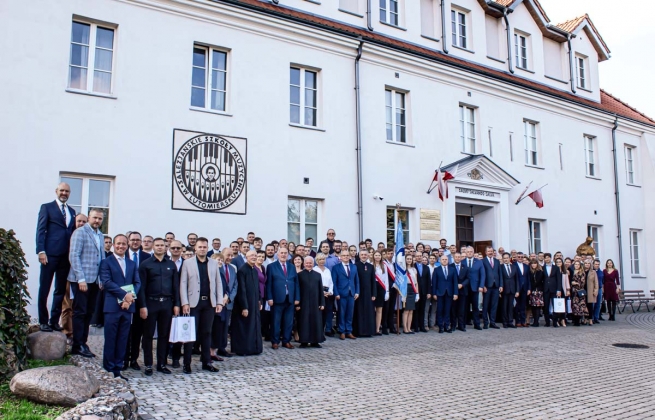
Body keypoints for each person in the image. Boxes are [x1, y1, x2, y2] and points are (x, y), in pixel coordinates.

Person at [36, 182, 77, 332]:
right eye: (62, 190)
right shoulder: (47, 207)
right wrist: (41, 251)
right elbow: (41, 230)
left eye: (67, 191)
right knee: (45, 288)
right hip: (49, 255)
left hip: (65, 257)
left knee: (60, 290)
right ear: (56, 191)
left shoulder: (72, 211)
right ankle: (43, 321)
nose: (64, 193)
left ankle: (54, 321)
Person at [180, 237, 223, 374]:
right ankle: (187, 363)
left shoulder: (213, 263)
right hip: (193, 303)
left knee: (206, 333)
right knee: (190, 334)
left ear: (207, 247)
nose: (202, 249)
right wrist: (185, 302)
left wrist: (219, 302)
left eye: (205, 247)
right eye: (200, 247)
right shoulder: (187, 263)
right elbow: (183, 283)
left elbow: (218, 283)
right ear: (195, 248)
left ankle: (206, 362)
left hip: (209, 302)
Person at [100, 234, 140, 380]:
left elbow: (137, 283)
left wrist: (129, 299)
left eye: (124, 244)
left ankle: (118, 368)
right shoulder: (106, 262)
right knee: (111, 338)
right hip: (112, 307)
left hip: (127, 307)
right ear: (113, 245)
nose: (121, 246)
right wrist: (124, 295)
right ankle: (109, 369)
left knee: (123, 339)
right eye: (118, 244)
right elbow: (107, 282)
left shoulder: (131, 263)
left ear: (127, 245)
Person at [138, 238, 179, 375]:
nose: (160, 247)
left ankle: (161, 363)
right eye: (157, 245)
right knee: (148, 335)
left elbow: (175, 287)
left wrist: (176, 304)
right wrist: (142, 306)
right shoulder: (145, 264)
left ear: (165, 247)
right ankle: (148, 364)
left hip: (167, 303)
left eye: (162, 245)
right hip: (151, 302)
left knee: (164, 335)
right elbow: (141, 288)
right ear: (153, 247)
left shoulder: (171, 265)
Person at [68, 208, 105, 358]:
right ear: (89, 217)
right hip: (82, 280)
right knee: (80, 312)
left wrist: (102, 279)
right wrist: (80, 278)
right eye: (95, 218)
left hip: (95, 280)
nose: (97, 221)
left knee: (89, 312)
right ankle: (77, 344)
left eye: (100, 219)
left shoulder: (100, 235)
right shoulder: (80, 232)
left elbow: (102, 257)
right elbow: (74, 255)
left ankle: (84, 341)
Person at [124, 232, 152, 371]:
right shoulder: (123, 254)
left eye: (137, 240)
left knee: (137, 332)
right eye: (133, 240)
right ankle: (123, 359)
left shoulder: (147, 257)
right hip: (123, 298)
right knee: (124, 331)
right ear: (128, 241)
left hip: (141, 299)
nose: (135, 242)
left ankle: (134, 359)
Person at [266, 247, 299, 349]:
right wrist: (269, 297)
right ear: (278, 254)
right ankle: (275, 341)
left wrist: (297, 297)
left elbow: (296, 283)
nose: (284, 255)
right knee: (276, 321)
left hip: (290, 298)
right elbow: (269, 283)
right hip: (277, 299)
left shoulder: (291, 266)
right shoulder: (271, 266)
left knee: (288, 322)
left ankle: (286, 341)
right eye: (282, 253)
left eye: (285, 253)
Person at [231, 250, 263, 355]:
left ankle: (255, 348)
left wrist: (260, 301)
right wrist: (244, 307)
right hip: (245, 305)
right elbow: (242, 290)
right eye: (251, 256)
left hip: (254, 303)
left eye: (255, 255)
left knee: (254, 326)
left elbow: (257, 287)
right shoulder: (242, 270)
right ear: (247, 257)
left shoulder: (254, 270)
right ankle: (243, 349)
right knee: (245, 327)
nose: (254, 257)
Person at [296, 257, 325, 348]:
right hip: (303, 303)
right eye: (307, 263)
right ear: (304, 264)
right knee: (303, 322)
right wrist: (298, 304)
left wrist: (322, 303)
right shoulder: (299, 275)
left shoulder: (317, 275)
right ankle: (303, 341)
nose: (308, 265)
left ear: (313, 264)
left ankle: (315, 341)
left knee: (315, 322)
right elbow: (297, 290)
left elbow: (321, 290)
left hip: (315, 302)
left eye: (310, 263)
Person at [332, 249, 359, 340]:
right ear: (340, 257)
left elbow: (357, 281)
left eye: (347, 255)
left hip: (351, 293)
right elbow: (334, 282)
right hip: (341, 293)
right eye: (344, 255)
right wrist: (336, 293)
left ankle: (349, 331)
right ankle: (342, 331)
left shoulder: (354, 267)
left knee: (350, 313)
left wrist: (357, 292)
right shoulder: (336, 267)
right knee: (341, 313)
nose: (346, 257)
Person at [432, 255, 458, 333]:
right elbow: (434, 282)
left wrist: (455, 293)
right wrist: (434, 293)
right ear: (440, 260)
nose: (444, 260)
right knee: (440, 310)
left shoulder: (452, 269)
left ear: (448, 260)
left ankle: (446, 326)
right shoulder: (436, 270)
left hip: (449, 293)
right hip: (439, 293)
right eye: (443, 259)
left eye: (446, 259)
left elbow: (455, 282)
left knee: (447, 310)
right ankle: (441, 327)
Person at [353, 249, 376, 337]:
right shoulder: (355, 266)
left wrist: (374, 294)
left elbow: (373, 281)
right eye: (362, 254)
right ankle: (358, 331)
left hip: (368, 293)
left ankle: (368, 331)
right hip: (358, 293)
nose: (363, 256)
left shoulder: (370, 266)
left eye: (365, 255)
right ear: (359, 256)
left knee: (368, 312)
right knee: (358, 312)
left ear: (368, 256)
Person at [462, 246, 484, 330]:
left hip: (475, 287)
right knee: (464, 306)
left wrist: (481, 286)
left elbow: (482, 274)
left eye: (471, 251)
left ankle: (477, 324)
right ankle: (463, 323)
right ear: (465, 252)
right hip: (465, 288)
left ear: (473, 252)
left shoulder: (479, 262)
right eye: (468, 252)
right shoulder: (462, 261)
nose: (469, 253)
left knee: (475, 307)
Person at [313, 253, 334, 337]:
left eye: (323, 259)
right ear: (317, 260)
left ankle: (328, 329)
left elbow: (331, 282)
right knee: (320, 312)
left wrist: (330, 291)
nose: (322, 261)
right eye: (320, 259)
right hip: (319, 292)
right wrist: (322, 292)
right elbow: (314, 283)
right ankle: (319, 330)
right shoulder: (315, 270)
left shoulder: (328, 270)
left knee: (329, 312)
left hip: (328, 292)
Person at [482, 246, 502, 329]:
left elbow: (500, 274)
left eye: (491, 251)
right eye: (488, 251)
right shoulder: (482, 261)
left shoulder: (497, 261)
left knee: (494, 305)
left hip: (496, 286)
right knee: (486, 305)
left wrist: (501, 285)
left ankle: (492, 322)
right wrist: (483, 285)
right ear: (486, 252)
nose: (490, 252)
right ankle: (486, 323)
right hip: (487, 286)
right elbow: (482, 274)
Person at [253, 250, 270, 342]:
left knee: (264, 316)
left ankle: (263, 334)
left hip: (264, 294)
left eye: (262, 257)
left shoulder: (263, 267)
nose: (260, 258)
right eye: (259, 256)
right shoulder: (253, 268)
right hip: (256, 294)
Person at [542, 253, 562, 328]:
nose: (547, 259)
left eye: (548, 257)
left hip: (554, 289)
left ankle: (555, 322)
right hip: (545, 289)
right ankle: (547, 322)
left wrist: (559, 289)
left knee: (555, 306)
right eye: (545, 258)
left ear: (550, 258)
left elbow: (559, 279)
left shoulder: (556, 268)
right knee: (546, 306)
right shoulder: (542, 268)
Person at [372, 251, 389, 335]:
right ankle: (372, 328)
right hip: (373, 287)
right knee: (372, 309)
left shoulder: (384, 265)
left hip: (382, 288)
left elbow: (386, 279)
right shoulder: (370, 265)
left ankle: (377, 329)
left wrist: (387, 291)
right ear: (373, 256)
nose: (377, 257)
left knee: (379, 309)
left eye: (379, 255)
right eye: (376, 255)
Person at [500, 253, 519, 329]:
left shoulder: (514, 267)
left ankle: (510, 321)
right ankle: (505, 322)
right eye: (504, 258)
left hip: (512, 289)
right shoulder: (500, 267)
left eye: (507, 258)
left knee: (511, 306)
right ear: (502, 259)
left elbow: (516, 279)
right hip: (504, 290)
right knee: (504, 306)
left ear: (509, 258)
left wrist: (517, 290)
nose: (506, 259)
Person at [451, 252, 469, 332]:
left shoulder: (465, 267)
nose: (458, 258)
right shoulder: (450, 266)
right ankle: (453, 325)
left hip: (463, 291)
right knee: (453, 309)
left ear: (461, 258)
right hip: (453, 291)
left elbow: (468, 278)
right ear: (454, 258)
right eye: (456, 257)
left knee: (461, 309)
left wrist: (462, 284)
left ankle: (461, 325)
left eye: (459, 257)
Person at [414, 252, 431, 333]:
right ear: (415, 257)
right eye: (417, 256)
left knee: (422, 309)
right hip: (415, 291)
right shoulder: (412, 266)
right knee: (416, 309)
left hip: (424, 291)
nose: (419, 257)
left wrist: (428, 292)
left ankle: (422, 326)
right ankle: (416, 326)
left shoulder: (426, 267)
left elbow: (428, 280)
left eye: (420, 256)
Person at [383, 249, 398, 334]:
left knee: (392, 308)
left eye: (391, 253)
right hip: (386, 288)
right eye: (388, 253)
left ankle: (391, 326)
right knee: (386, 308)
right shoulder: (383, 264)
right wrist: (391, 283)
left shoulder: (395, 264)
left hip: (394, 288)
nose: (390, 255)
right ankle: (384, 326)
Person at [513, 253, 530, 327]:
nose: (520, 258)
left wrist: (529, 288)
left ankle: (523, 321)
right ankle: (518, 321)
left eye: (522, 257)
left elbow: (528, 278)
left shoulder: (526, 266)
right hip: (517, 288)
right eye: (519, 257)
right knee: (517, 305)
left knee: (523, 305)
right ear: (516, 257)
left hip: (525, 288)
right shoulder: (513, 265)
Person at [403, 254, 418, 334]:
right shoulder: (403, 269)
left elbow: (416, 282)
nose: (409, 260)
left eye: (410, 259)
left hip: (413, 289)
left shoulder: (414, 269)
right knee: (406, 310)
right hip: (406, 289)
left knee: (411, 310)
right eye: (407, 259)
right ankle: (405, 328)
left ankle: (409, 328)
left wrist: (417, 293)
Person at [570, 261, 588, 326]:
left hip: (579, 291)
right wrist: (571, 283)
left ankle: (579, 321)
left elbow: (583, 283)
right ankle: (575, 320)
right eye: (575, 264)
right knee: (574, 306)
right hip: (573, 291)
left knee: (580, 306)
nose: (577, 265)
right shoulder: (572, 272)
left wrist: (576, 283)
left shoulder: (582, 273)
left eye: (578, 264)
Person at [527, 259, 544, 326]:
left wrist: (532, 286)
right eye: (532, 263)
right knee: (533, 306)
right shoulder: (530, 272)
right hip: (532, 291)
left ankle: (536, 322)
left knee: (537, 307)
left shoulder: (540, 271)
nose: (534, 265)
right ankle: (535, 321)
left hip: (538, 291)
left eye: (535, 263)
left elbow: (538, 281)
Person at [555, 257, 570, 327]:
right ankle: (557, 319)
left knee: (563, 306)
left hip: (563, 290)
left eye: (560, 262)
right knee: (557, 306)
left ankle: (562, 319)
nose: (558, 263)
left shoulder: (564, 271)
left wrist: (568, 290)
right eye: (557, 262)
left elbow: (567, 281)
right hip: (556, 290)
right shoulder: (554, 270)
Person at [425, 254, 438, 330]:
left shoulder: (437, 268)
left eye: (434, 258)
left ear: (436, 260)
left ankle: (432, 323)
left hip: (435, 290)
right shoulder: (426, 268)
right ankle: (425, 324)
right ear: (429, 259)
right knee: (426, 308)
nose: (432, 259)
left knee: (434, 308)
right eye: (431, 258)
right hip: (428, 290)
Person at [584, 260, 599, 325]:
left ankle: (590, 319)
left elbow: (596, 282)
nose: (587, 264)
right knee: (584, 305)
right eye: (586, 263)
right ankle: (585, 318)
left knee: (590, 306)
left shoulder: (593, 272)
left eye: (588, 263)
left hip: (590, 290)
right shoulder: (581, 271)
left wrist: (595, 290)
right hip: (583, 290)